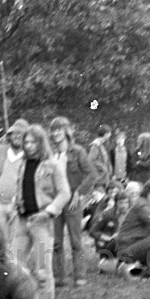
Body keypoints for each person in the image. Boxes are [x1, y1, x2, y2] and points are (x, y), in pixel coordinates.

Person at [11, 125, 70, 299]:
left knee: (43, 271)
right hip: (22, 221)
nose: (28, 146)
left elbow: (64, 193)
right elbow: (20, 191)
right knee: (13, 265)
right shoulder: (22, 164)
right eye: (26, 142)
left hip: (42, 222)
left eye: (32, 142)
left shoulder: (51, 165)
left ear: (40, 142)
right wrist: (14, 206)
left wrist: (50, 211)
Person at [49, 117, 96, 287]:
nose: (55, 133)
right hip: (56, 202)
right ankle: (59, 277)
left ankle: (80, 276)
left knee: (76, 241)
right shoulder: (51, 154)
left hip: (73, 203)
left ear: (67, 131)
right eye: (53, 130)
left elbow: (92, 174)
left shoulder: (78, 151)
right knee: (56, 242)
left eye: (59, 129)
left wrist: (79, 192)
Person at [90, 190, 131, 259]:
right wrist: (109, 238)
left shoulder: (130, 214)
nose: (124, 205)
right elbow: (93, 231)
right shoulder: (107, 214)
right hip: (107, 245)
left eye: (126, 203)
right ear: (116, 203)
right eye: (121, 203)